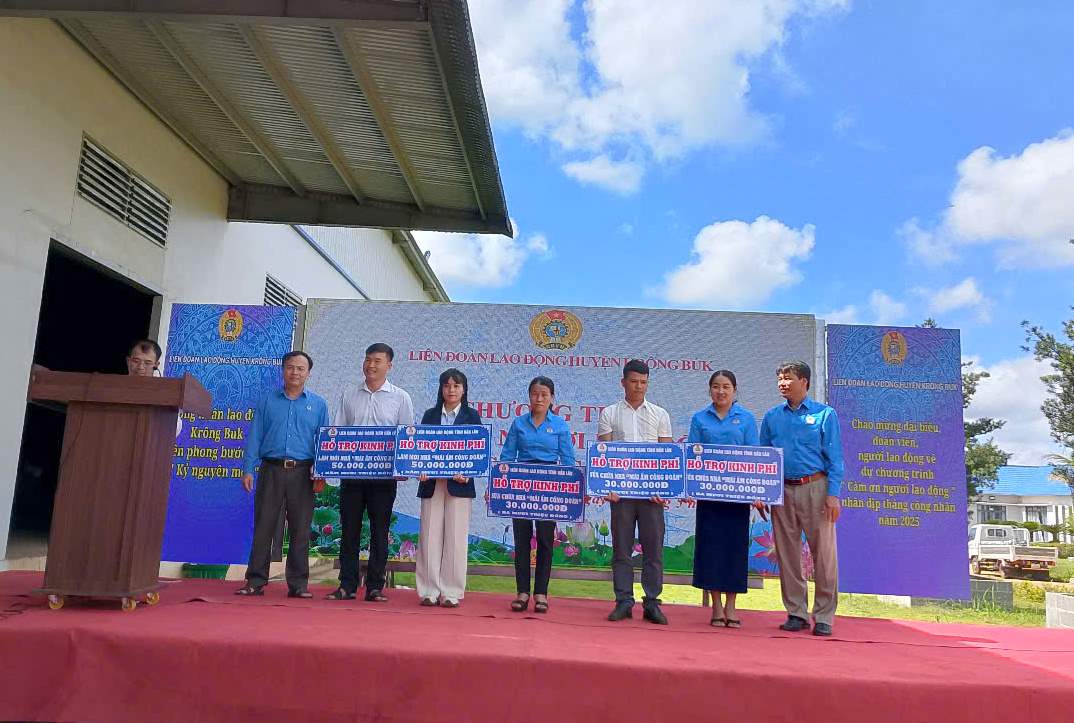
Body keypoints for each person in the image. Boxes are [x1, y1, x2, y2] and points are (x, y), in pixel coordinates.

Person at [759, 360, 845, 637]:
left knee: (824, 555)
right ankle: (796, 612)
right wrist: (762, 492)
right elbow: (764, 458)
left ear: (804, 381)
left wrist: (833, 495)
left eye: (788, 378)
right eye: (780, 379)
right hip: (782, 490)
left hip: (816, 487)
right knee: (788, 554)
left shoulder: (824, 414)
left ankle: (824, 616)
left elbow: (835, 458)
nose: (783, 383)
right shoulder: (772, 417)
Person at [235, 351, 329, 598]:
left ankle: (298, 585)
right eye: (290, 367)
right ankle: (255, 580)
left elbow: (324, 442)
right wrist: (248, 468)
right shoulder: (267, 401)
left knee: (300, 529)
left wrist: (322, 472)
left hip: (304, 473)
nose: (295, 372)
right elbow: (255, 435)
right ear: (283, 370)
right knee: (264, 526)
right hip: (271, 469)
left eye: (300, 368)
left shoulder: (319, 405)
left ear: (308, 373)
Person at [326, 343, 414, 602]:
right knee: (349, 530)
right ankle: (347, 585)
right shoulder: (349, 394)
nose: (371, 365)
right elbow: (338, 432)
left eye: (377, 361)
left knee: (380, 531)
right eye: (367, 359)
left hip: (383, 478)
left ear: (389, 365)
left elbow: (407, 436)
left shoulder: (401, 397)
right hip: (352, 475)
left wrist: (403, 467)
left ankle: (375, 586)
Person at [598, 359, 673, 625]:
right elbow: (603, 456)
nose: (638, 387)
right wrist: (608, 487)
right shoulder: (609, 413)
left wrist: (662, 489)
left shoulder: (660, 414)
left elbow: (666, 458)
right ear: (623, 382)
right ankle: (623, 601)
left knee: (653, 551)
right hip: (622, 496)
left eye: (643, 382)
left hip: (651, 497)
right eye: (633, 381)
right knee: (621, 549)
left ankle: (652, 603)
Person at [688, 370, 765, 628]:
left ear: (734, 390)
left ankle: (732, 605)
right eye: (716, 386)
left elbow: (754, 457)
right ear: (710, 390)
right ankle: (716, 606)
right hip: (709, 496)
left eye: (726, 387)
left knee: (734, 550)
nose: (721, 391)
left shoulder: (746, 419)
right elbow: (692, 455)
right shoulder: (700, 419)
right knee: (711, 550)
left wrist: (756, 492)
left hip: (737, 497)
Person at [499, 376, 575, 614]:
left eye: (544, 394)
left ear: (552, 398)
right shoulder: (519, 423)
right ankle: (522, 592)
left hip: (549, 486)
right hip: (521, 484)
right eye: (535, 394)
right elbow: (507, 456)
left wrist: (571, 489)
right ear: (529, 396)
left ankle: (541, 593)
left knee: (545, 540)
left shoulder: (560, 425)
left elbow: (568, 461)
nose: (539, 398)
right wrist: (498, 485)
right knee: (521, 540)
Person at [415, 369, 483, 607]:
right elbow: (420, 448)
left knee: (456, 537)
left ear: (464, 390)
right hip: (432, 483)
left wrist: (468, 472)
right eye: (446, 385)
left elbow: (477, 451)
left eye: (456, 386)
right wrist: (420, 467)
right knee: (429, 534)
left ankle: (451, 592)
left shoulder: (472, 416)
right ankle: (429, 590)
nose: (451, 390)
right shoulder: (430, 415)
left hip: (460, 485)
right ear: (441, 389)